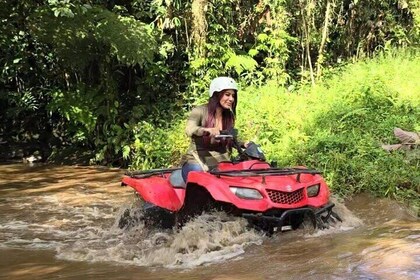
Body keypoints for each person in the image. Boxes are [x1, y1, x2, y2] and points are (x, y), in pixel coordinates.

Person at [182, 76, 240, 182]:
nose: (231, 99)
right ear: (216, 95)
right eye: (227, 94)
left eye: (233, 95)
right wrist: (206, 130)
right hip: (197, 161)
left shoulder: (229, 116)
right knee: (201, 182)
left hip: (221, 162)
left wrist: (244, 144)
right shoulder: (199, 111)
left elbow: (230, 138)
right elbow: (189, 129)